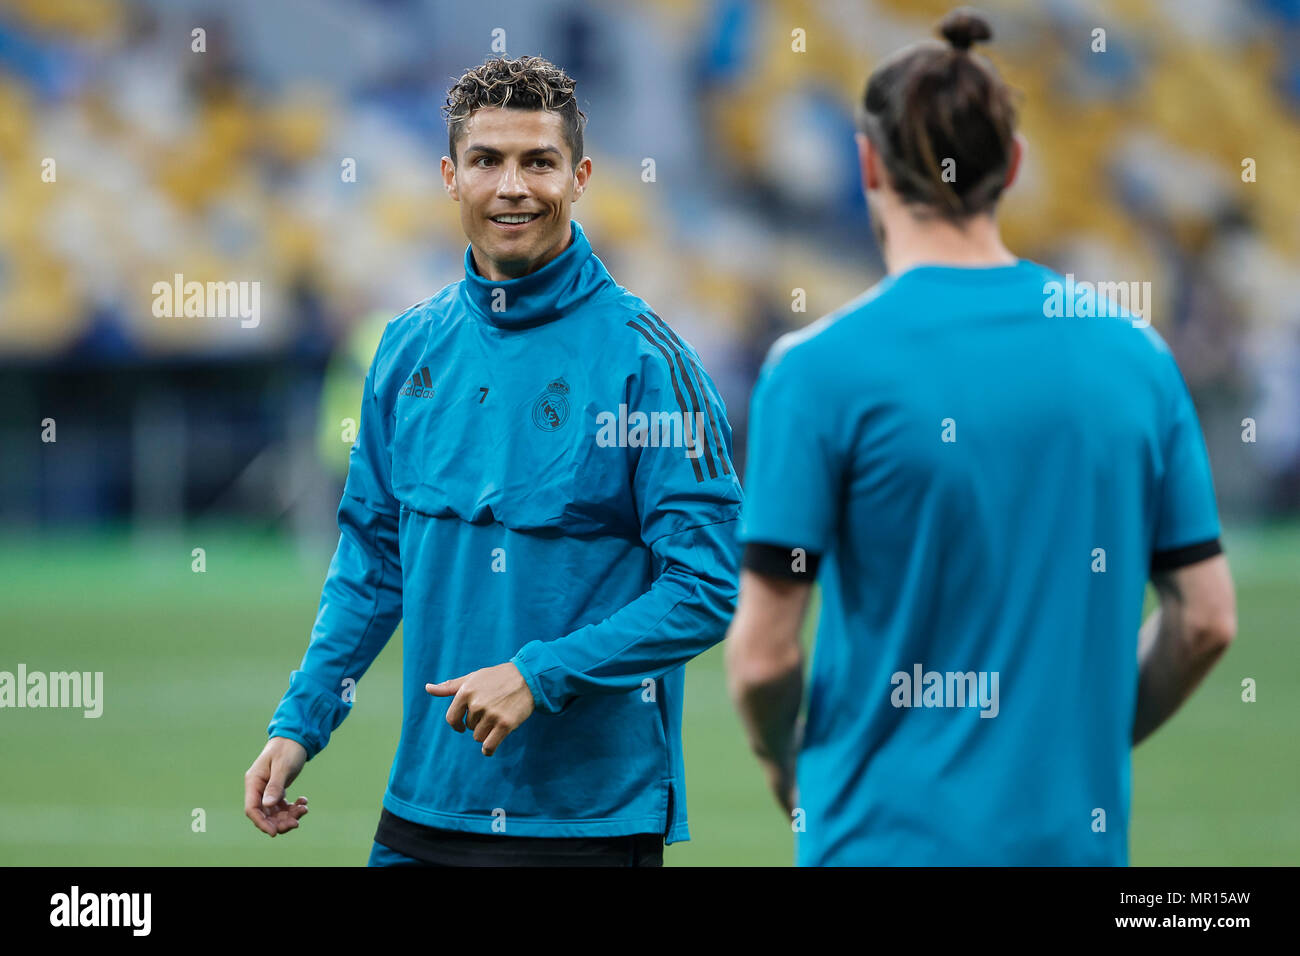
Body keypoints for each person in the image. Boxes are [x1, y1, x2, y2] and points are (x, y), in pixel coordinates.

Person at [724, 9, 1236, 866]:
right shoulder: (1136, 356)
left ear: (867, 165)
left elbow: (764, 656)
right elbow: (1207, 620)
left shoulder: (816, 370)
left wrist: (787, 765)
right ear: (1016, 165)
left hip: (879, 842)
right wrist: (1078, 744)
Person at [244, 55, 742, 867]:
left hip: (587, 825)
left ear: (579, 176)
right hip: (424, 813)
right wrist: (300, 723)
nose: (513, 186)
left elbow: (705, 589)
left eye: (538, 161)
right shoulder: (405, 351)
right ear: (451, 176)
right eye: (488, 161)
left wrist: (539, 674)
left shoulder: (649, 364)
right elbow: (372, 565)